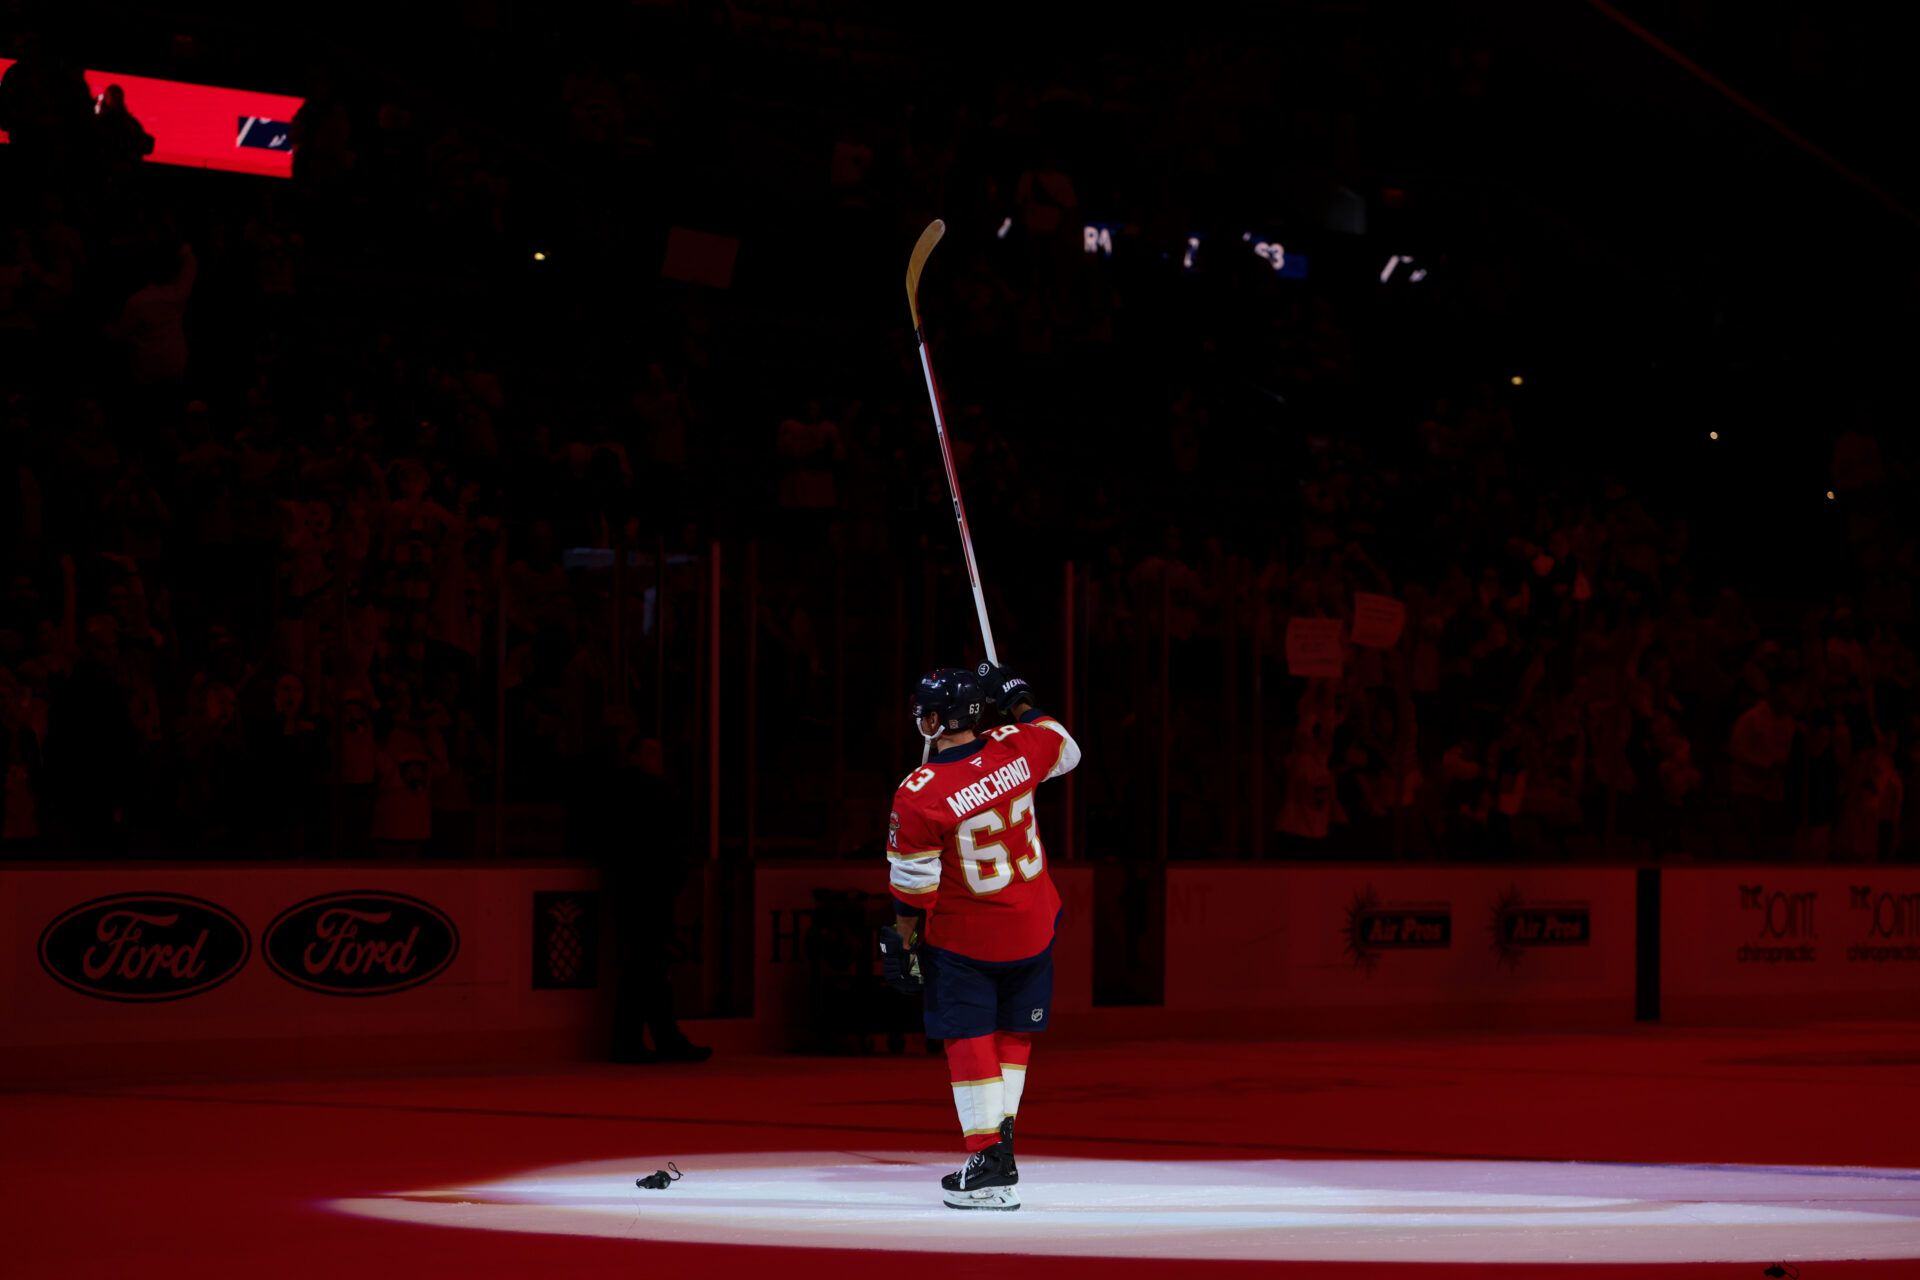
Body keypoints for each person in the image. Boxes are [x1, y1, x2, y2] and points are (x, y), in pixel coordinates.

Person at [879, 661, 1081, 1211]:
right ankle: (1003, 1145)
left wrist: (902, 938)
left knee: (967, 1035)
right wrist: (1017, 696)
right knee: (1014, 1033)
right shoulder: (1017, 746)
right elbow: (1065, 748)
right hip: (1035, 924)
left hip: (970, 936)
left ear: (935, 719)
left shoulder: (920, 791)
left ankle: (988, 1157)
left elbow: (914, 884)